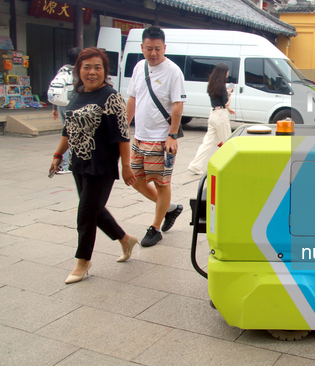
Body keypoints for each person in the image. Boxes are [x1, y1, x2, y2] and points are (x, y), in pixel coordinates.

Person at [49, 47, 138, 284]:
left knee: (85, 214)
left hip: (102, 165)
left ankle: (82, 261)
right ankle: (125, 239)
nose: (92, 72)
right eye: (86, 67)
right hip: (79, 163)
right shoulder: (77, 95)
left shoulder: (111, 96)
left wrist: (126, 166)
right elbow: (69, 129)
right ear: (78, 70)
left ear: (104, 71)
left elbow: (122, 134)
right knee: (94, 210)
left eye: (97, 67)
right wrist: (58, 154)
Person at [126, 26, 186, 247]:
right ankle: (169, 207)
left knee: (162, 184)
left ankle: (156, 227)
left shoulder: (173, 71)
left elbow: (178, 106)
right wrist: (124, 127)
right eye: (149, 48)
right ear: (142, 47)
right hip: (139, 137)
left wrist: (172, 135)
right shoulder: (138, 67)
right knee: (135, 179)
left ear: (164, 48)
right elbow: (132, 98)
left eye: (157, 49)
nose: (153, 53)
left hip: (161, 139)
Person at [187, 63, 235, 175]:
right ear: (224, 72)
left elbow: (218, 101)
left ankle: (195, 165)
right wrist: (229, 94)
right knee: (227, 141)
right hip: (220, 116)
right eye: (227, 72)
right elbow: (226, 101)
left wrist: (228, 108)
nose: (228, 74)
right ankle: (228, 165)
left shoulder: (212, 84)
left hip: (213, 113)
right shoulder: (222, 86)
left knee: (208, 142)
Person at [49, 47, 81, 174]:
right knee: (71, 134)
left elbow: (57, 90)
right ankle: (68, 163)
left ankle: (67, 161)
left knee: (66, 132)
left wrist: (54, 108)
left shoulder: (62, 71)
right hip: (74, 106)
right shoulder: (78, 72)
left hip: (62, 105)